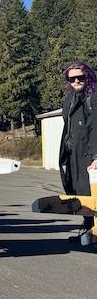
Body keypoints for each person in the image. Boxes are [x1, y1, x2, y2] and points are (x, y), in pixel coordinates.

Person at [59, 61, 97, 241]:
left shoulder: (93, 97)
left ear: (88, 76)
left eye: (80, 77)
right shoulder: (71, 99)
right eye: (71, 78)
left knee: (94, 195)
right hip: (74, 156)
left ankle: (95, 233)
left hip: (90, 155)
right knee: (80, 193)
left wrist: (96, 156)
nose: (76, 81)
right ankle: (89, 229)